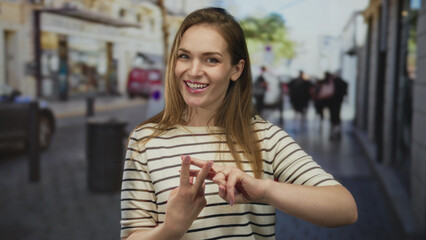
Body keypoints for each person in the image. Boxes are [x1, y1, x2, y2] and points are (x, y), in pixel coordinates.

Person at [120, 7, 357, 240]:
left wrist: (265, 190)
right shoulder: (145, 140)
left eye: (211, 60)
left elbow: (345, 209)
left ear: (236, 69)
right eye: (184, 56)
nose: (193, 71)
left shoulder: (263, 138)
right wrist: (172, 228)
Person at [317, 72, 348, 140]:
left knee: (333, 116)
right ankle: (337, 129)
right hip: (338, 102)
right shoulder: (341, 82)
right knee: (337, 115)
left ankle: (334, 132)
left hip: (331, 102)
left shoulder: (330, 81)